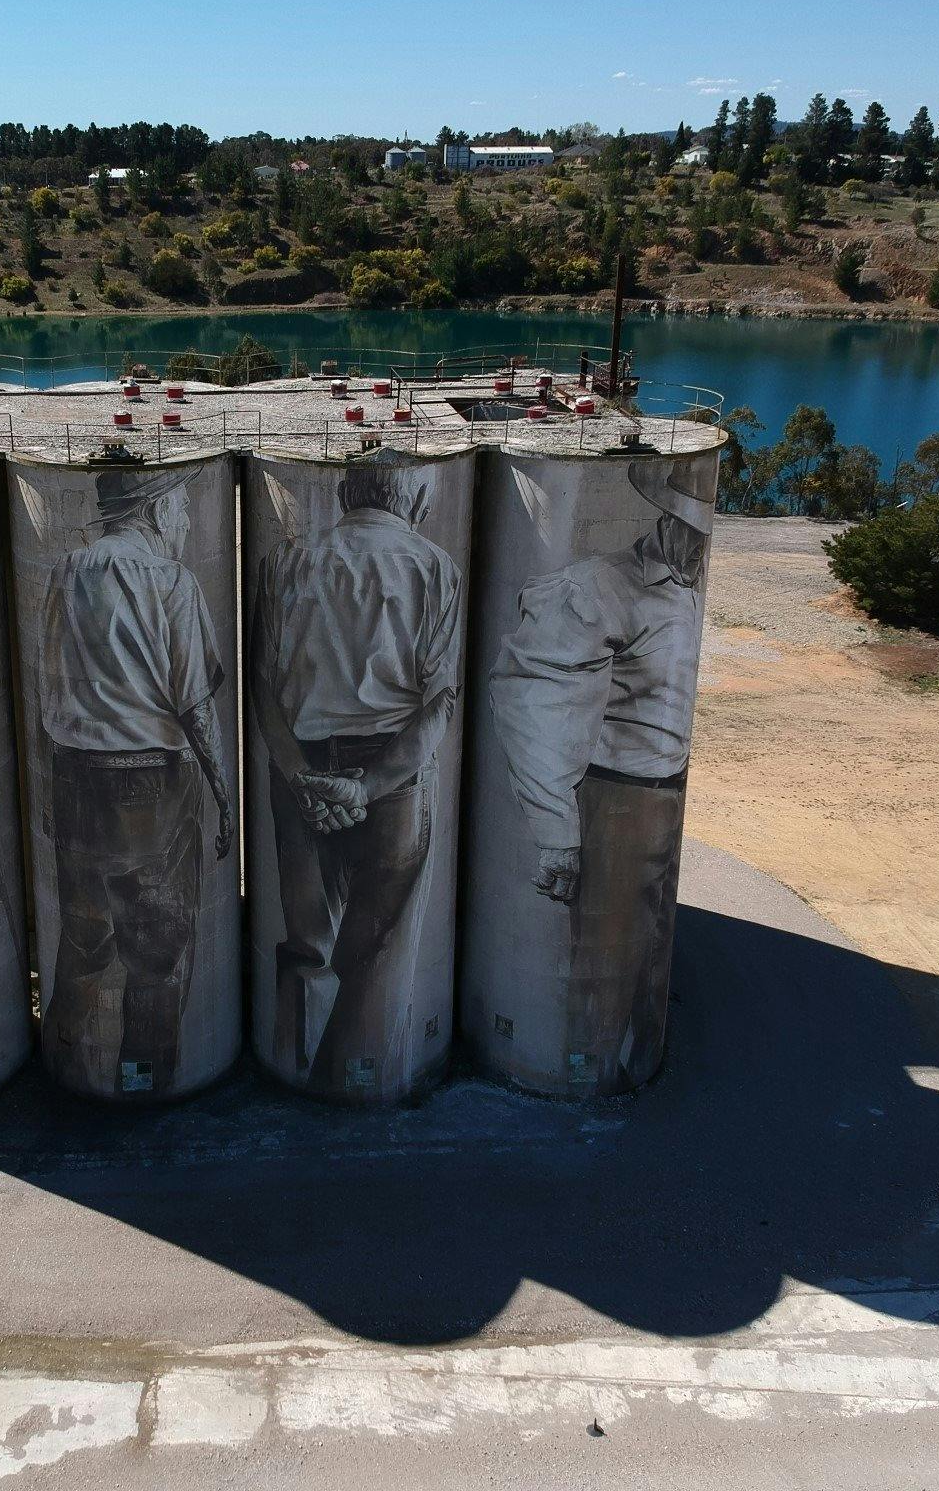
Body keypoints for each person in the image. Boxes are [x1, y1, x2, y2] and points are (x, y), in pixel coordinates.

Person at [487, 453, 716, 1093]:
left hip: (666, 797)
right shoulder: (601, 585)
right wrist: (558, 827)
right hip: (619, 801)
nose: (699, 542)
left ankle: (629, 1069)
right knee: (605, 969)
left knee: (645, 967)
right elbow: (531, 697)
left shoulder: (687, 587)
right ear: (667, 518)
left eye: (706, 527)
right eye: (689, 525)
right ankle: (583, 1080)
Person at [251, 463, 461, 1093]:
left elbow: (263, 683)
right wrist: (365, 788)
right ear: (413, 497)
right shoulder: (433, 567)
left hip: (300, 770)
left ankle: (291, 1064)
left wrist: (298, 775)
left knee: (304, 942)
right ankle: (352, 1080)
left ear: (347, 494)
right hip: (391, 781)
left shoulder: (286, 562)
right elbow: (437, 705)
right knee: (377, 955)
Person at [39, 465, 232, 1098]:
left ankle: (67, 1067)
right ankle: (145, 1079)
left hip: (73, 778)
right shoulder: (171, 579)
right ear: (151, 511)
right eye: (178, 509)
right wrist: (224, 793)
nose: (183, 522)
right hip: (147, 785)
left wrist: (46, 787)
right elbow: (196, 701)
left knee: (82, 938)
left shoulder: (67, 573)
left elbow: (50, 684)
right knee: (156, 952)